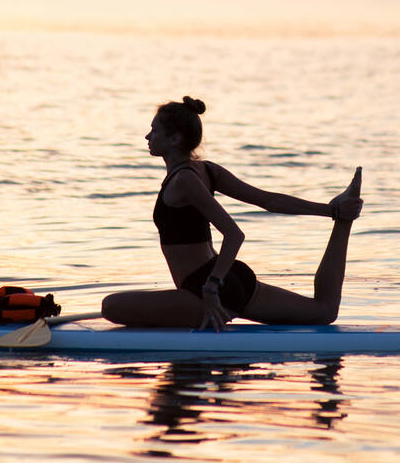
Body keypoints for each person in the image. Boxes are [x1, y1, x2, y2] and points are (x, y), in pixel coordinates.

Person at [101, 96, 363, 330]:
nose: (148, 137)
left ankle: (204, 308)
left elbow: (234, 234)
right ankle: (343, 222)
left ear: (174, 138)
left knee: (110, 306)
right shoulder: (206, 171)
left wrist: (211, 287)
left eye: (154, 130)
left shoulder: (184, 181)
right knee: (324, 311)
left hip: (205, 290)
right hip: (234, 280)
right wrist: (332, 210)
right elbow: (268, 200)